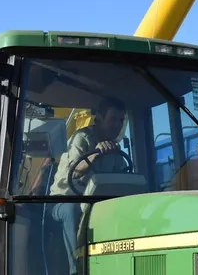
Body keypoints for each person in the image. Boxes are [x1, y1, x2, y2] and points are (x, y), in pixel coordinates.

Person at [46, 97, 128, 275]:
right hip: (61, 201)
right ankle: (78, 269)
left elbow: (120, 181)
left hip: (93, 203)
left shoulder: (115, 150)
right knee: (72, 210)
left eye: (121, 120)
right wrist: (96, 153)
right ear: (99, 118)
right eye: (113, 119)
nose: (118, 125)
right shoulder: (81, 138)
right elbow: (74, 172)